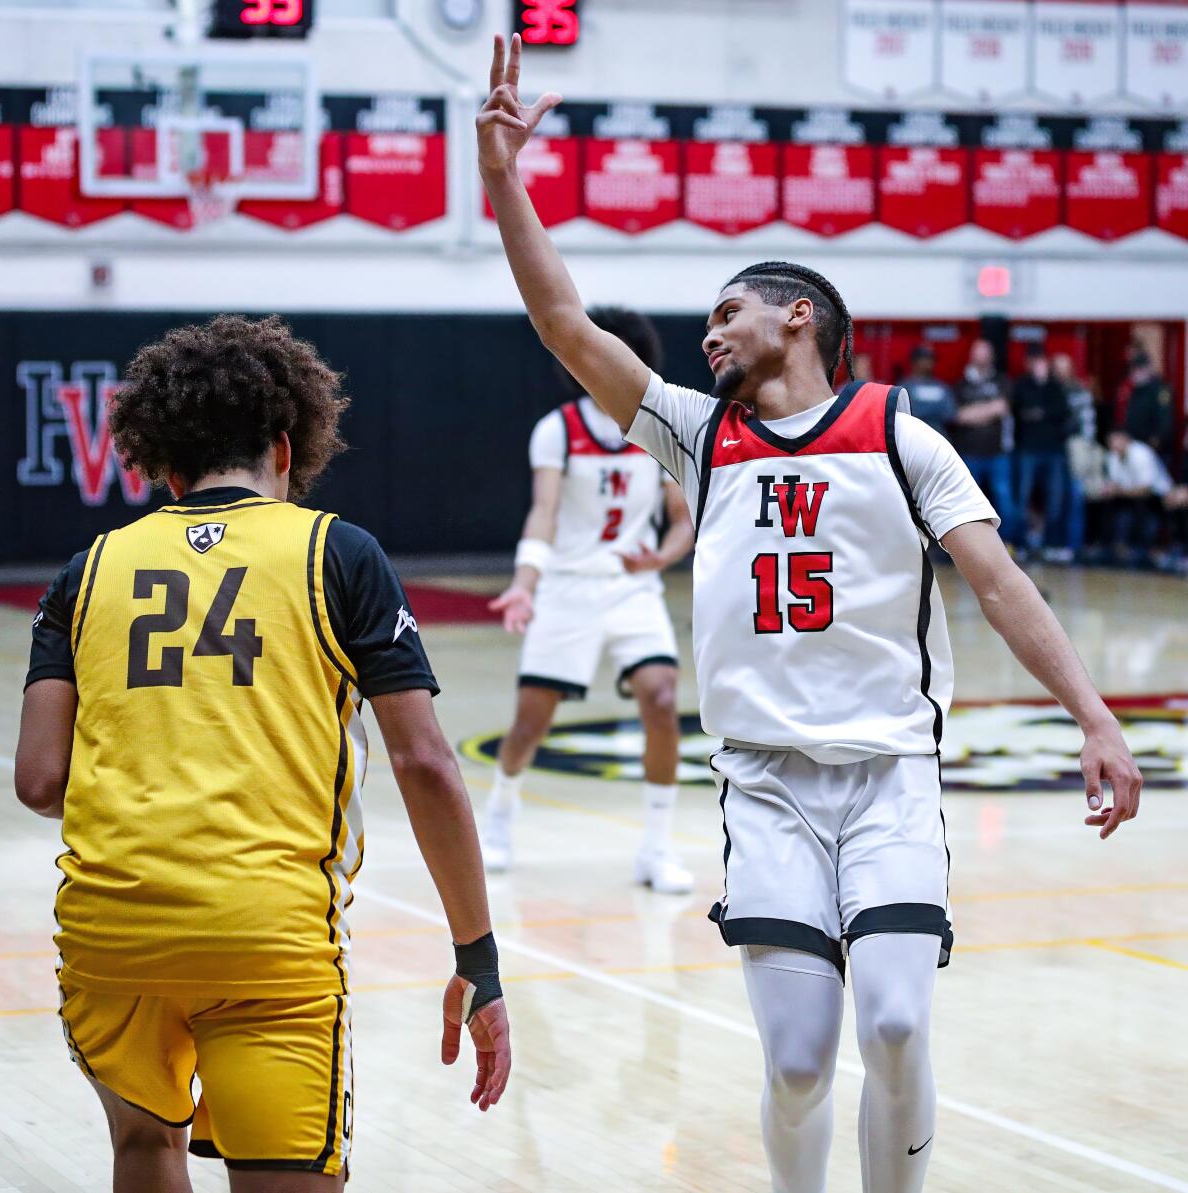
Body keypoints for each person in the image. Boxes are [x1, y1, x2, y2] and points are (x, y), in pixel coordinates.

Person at [477, 33, 1142, 1193]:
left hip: (889, 771)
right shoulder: (700, 430)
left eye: (729, 312)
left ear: (798, 317)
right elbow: (565, 326)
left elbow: (999, 581)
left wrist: (1092, 712)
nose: (708, 333)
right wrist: (500, 178)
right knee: (792, 1063)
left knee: (892, 1025)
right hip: (769, 780)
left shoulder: (898, 431)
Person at [14, 315, 511, 1192]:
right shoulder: (339, 553)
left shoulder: (85, 571)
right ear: (287, 450)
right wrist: (478, 955)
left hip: (110, 932)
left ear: (165, 468)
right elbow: (427, 763)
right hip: (264, 935)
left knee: (141, 1149)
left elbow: (40, 779)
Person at [483, 306, 696, 892]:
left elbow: (683, 522)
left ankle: (655, 848)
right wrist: (525, 585)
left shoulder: (659, 430)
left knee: (663, 696)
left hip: (633, 589)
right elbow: (543, 513)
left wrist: (662, 556)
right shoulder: (558, 429)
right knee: (530, 723)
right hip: (568, 590)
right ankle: (500, 812)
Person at [949, 338, 1018, 545]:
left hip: (998, 453)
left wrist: (974, 413)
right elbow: (958, 416)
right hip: (969, 453)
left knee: (1004, 501)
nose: (981, 356)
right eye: (977, 352)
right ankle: (969, 546)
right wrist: (989, 410)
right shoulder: (961, 384)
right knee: (967, 504)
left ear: (991, 356)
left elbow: (1002, 408)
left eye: (984, 352)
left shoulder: (1001, 381)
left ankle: (1009, 544)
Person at [1012, 344, 1073, 559]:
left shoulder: (1054, 386)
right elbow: (1020, 412)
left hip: (1053, 451)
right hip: (1028, 449)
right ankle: (1022, 544)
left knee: (1055, 499)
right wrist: (1041, 413)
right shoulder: (1020, 385)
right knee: (1022, 498)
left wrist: (1039, 410)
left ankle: (1050, 545)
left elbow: (1062, 412)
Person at [1102, 429, 1174, 568]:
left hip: (1156, 496)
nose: (1112, 445)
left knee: (1141, 506)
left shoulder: (1142, 453)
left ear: (1126, 439)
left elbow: (1145, 489)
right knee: (1111, 504)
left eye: (1115, 440)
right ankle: (1115, 547)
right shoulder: (1113, 456)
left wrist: (1119, 491)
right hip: (1129, 495)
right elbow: (1114, 483)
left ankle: (1145, 550)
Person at [1052, 353, 1098, 560]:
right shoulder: (1050, 390)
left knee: (1075, 497)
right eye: (1058, 368)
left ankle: (1074, 546)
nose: (1062, 373)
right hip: (1054, 451)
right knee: (1057, 498)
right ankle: (1057, 545)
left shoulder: (1080, 390)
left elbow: (1088, 423)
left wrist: (1087, 449)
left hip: (1076, 449)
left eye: (1065, 368)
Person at [1121, 349, 1175, 467]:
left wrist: (1155, 442)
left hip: (1154, 449)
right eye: (1133, 370)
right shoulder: (1134, 391)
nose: (1135, 374)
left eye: (1139, 369)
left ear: (1147, 368)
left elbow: (1165, 420)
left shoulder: (1160, 390)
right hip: (1134, 446)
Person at [898, 344, 955, 437]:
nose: (928, 362)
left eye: (931, 359)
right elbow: (904, 414)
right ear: (914, 361)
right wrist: (934, 410)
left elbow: (950, 414)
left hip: (939, 435)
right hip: (912, 435)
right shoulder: (905, 386)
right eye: (924, 359)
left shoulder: (942, 386)